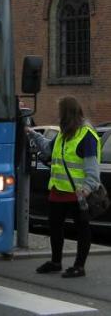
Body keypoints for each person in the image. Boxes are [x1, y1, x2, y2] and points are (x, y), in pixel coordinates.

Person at [26, 96, 102, 278]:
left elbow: (92, 169)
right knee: (55, 228)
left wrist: (87, 188)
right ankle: (56, 261)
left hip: (78, 194)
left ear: (67, 112)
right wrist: (32, 134)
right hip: (58, 191)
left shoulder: (86, 135)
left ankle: (79, 266)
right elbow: (48, 149)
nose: (57, 114)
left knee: (82, 229)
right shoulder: (63, 133)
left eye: (60, 111)